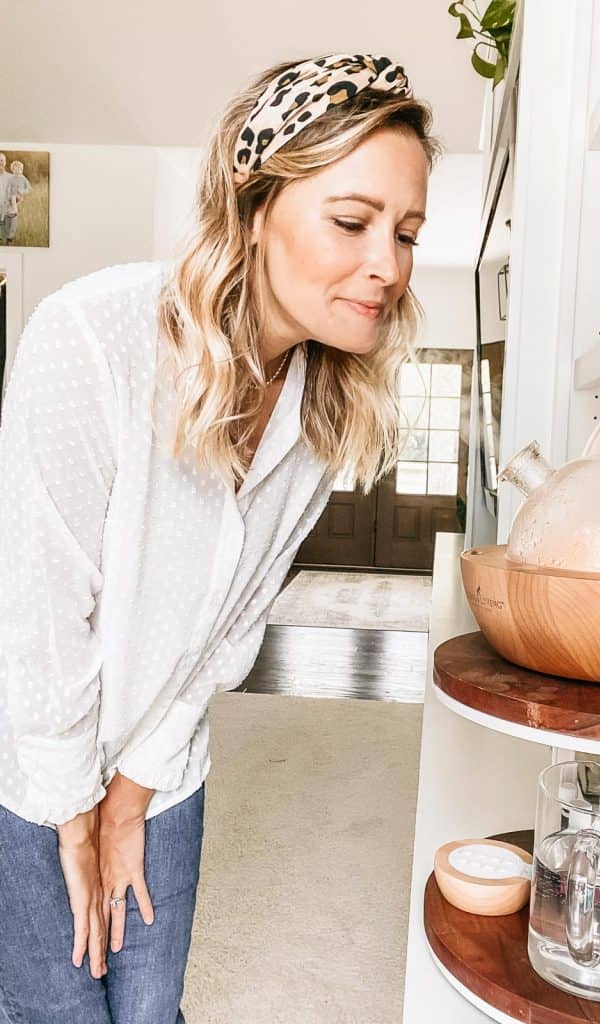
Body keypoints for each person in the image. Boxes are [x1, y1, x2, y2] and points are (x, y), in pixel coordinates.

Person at [0, 52, 440, 1023]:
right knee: (60, 1012)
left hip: (164, 762)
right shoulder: (91, 339)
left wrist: (132, 796)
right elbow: (38, 622)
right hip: (30, 768)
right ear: (253, 206)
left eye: (407, 231)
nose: (391, 265)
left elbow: (227, 629)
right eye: (353, 221)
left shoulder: (326, 404)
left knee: (150, 1011)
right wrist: (76, 813)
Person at [3, 160, 32, 244]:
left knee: (13, 198)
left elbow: (29, 188)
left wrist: (22, 191)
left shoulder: (23, 178)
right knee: (9, 201)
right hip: (11, 198)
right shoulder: (11, 178)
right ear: (12, 170)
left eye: (20, 169)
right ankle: (8, 218)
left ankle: (14, 211)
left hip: (19, 196)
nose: (18, 171)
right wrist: (7, 195)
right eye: (16, 169)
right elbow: (8, 188)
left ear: (22, 170)